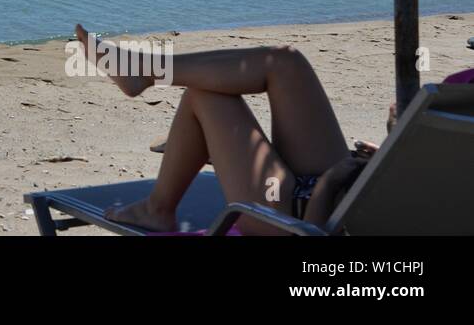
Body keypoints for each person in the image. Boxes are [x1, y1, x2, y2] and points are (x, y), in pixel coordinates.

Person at [74, 24, 379, 234]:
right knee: (286, 61)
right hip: (342, 184)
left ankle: (158, 208)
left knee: (202, 95)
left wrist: (331, 182)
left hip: (299, 215)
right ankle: (146, 69)